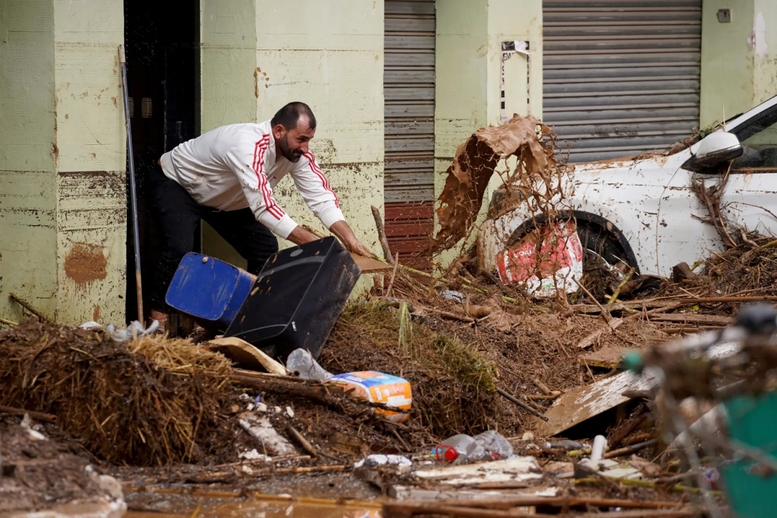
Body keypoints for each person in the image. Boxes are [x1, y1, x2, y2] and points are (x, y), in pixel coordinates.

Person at [146, 101, 372, 330]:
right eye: (301, 139)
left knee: (264, 249)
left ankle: (247, 320)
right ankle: (156, 325)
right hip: (177, 184)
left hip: (224, 198)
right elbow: (264, 207)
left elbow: (321, 197)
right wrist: (319, 247)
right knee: (179, 248)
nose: (305, 147)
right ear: (279, 131)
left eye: (309, 140)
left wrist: (350, 239)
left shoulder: (298, 155)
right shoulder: (248, 144)